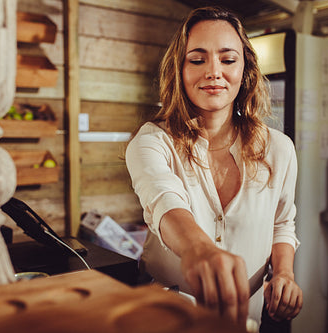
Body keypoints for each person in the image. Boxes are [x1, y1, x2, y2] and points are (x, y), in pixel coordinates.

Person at [125, 6, 302, 331]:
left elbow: (282, 224)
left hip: (247, 319)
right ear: (179, 69)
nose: (213, 71)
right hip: (166, 317)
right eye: (197, 59)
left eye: (228, 59)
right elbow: (165, 202)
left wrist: (285, 274)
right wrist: (200, 250)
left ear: (245, 69)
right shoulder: (151, 143)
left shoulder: (280, 149)